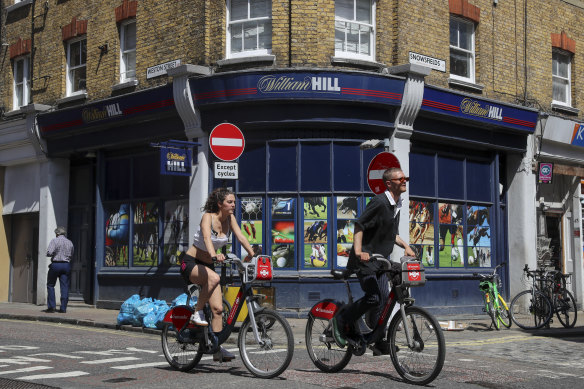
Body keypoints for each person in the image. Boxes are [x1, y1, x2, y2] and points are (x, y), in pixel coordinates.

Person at [332, 167, 416, 354]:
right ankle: (343, 318)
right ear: (389, 183)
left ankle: (378, 339)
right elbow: (359, 225)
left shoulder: (397, 204)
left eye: (405, 178)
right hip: (365, 259)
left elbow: (391, 234)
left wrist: (406, 247)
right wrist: (359, 251)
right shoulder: (379, 202)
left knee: (387, 298)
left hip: (379, 260)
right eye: (400, 178)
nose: (404, 181)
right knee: (374, 297)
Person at [179, 187, 255, 362]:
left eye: (234, 202)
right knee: (214, 278)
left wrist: (253, 254)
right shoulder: (208, 217)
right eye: (230, 202)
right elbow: (206, 237)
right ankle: (197, 312)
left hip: (208, 265)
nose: (233, 205)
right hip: (191, 263)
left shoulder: (230, 219)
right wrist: (214, 255)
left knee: (218, 310)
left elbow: (241, 236)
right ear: (220, 204)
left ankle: (216, 349)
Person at [45, 226, 74, 313]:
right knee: (64, 286)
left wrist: (54, 253)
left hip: (56, 264)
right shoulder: (70, 242)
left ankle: (52, 307)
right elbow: (72, 254)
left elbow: (49, 253)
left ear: (57, 233)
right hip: (66, 265)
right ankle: (63, 308)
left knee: (50, 285)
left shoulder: (54, 241)